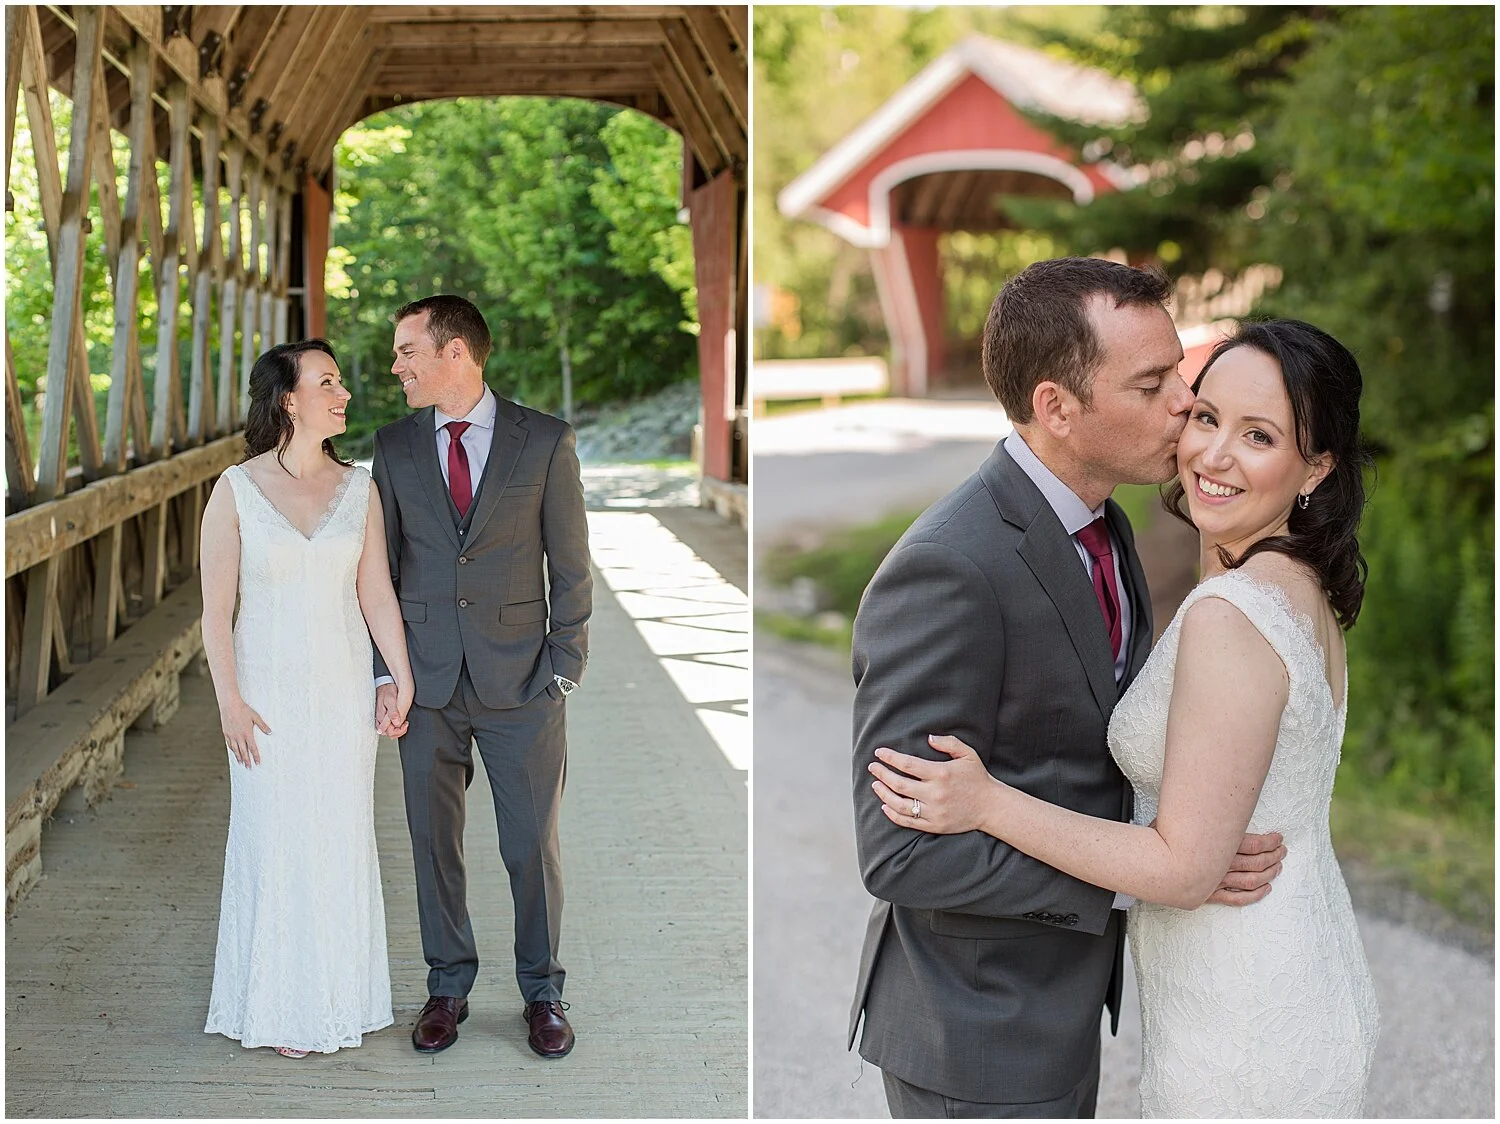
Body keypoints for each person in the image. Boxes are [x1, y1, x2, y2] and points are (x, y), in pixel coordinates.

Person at [869, 317, 1380, 1116]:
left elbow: (1183, 867)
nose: (1205, 445)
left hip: (1244, 1010)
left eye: (1258, 435)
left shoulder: (1230, 611)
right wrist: (1184, 856)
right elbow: (896, 847)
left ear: (1316, 466)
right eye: (1204, 415)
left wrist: (989, 802)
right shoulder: (1297, 584)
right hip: (1289, 963)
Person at [370, 294, 592, 1058]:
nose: (395, 366)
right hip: (424, 685)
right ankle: (447, 986)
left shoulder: (545, 441)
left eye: (407, 351)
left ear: (454, 350)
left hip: (524, 683)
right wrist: (385, 675)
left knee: (531, 845)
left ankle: (544, 992)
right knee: (433, 842)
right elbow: (381, 570)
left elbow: (570, 563)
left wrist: (564, 666)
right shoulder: (393, 446)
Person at [201, 339, 414, 1057]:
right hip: (264, 695)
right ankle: (280, 1006)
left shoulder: (360, 488)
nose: (344, 392)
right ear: (288, 400)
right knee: (274, 839)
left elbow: (376, 591)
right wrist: (229, 699)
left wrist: (399, 674)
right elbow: (215, 611)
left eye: (342, 381)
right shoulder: (233, 490)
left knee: (337, 838)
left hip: (342, 687)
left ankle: (339, 998)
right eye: (328, 382)